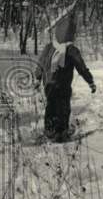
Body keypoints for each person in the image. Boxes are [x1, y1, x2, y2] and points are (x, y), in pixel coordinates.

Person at [35, 11, 96, 142]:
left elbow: (40, 63)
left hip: (49, 84)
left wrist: (37, 78)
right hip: (63, 85)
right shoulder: (72, 50)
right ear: (72, 35)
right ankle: (61, 132)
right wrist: (90, 81)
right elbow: (81, 67)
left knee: (51, 106)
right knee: (63, 107)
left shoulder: (49, 47)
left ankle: (50, 130)